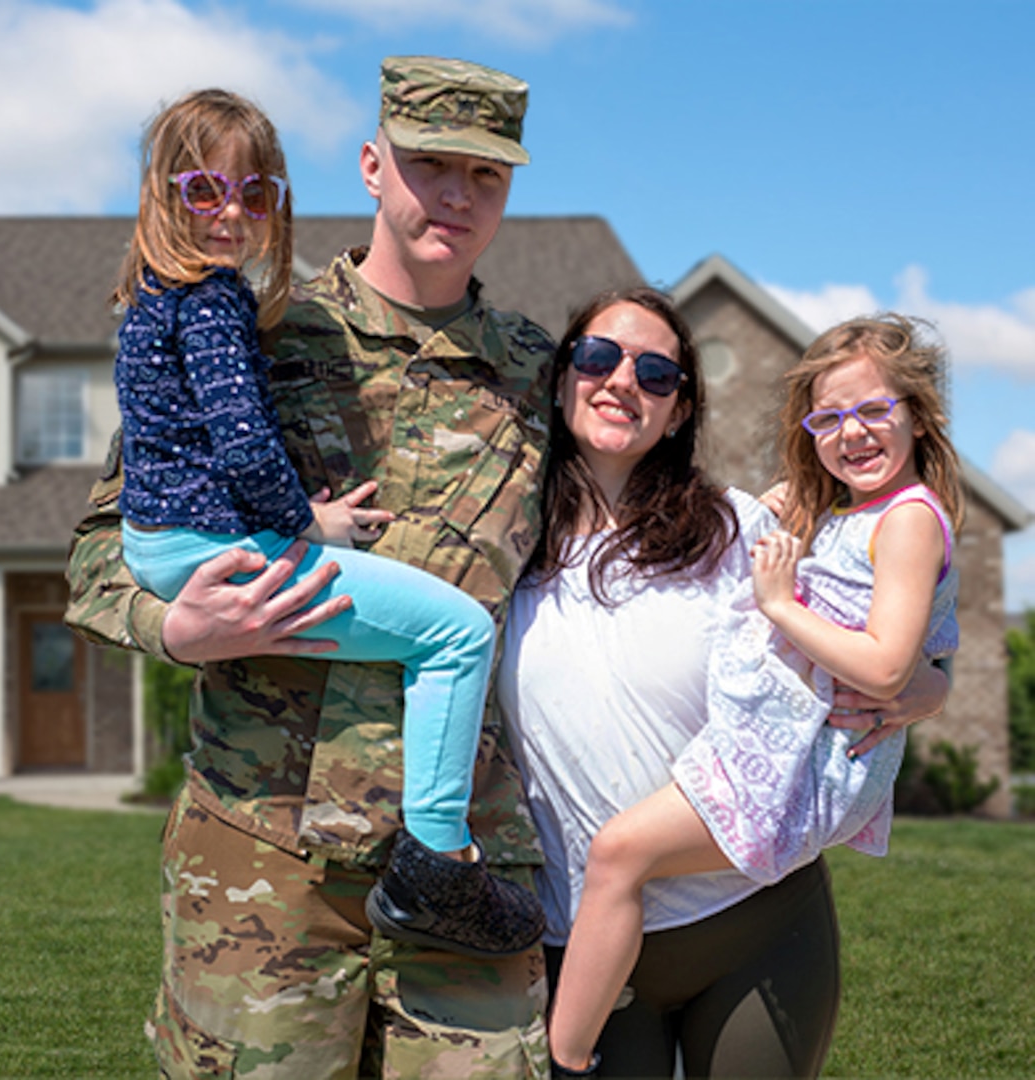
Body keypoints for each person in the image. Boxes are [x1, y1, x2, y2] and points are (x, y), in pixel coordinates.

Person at [68, 56, 559, 1078]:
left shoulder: (539, 373)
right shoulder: (254, 328)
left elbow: (634, 547)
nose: (456, 197)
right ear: (372, 167)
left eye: (486, 175)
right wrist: (175, 628)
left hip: (461, 874)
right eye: (430, 165)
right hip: (262, 865)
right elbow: (99, 551)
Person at [501, 293, 956, 1078]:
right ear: (561, 377)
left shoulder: (734, 527)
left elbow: (882, 617)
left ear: (680, 410)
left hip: (756, 923)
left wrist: (930, 688)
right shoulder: (498, 534)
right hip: (588, 940)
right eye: (599, 358)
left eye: (655, 371)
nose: (622, 382)